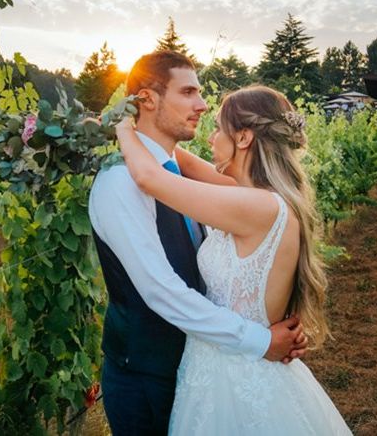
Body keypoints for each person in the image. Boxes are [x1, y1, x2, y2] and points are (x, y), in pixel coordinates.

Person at [88, 52, 309, 435]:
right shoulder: (119, 182)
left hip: (209, 369)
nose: (202, 106)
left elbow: (159, 174)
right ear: (147, 99)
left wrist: (128, 131)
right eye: (189, 91)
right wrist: (259, 338)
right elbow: (161, 290)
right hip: (146, 376)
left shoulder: (199, 184)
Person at [115, 84, 352, 435]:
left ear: (243, 139)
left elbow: (150, 177)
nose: (210, 138)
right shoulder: (257, 197)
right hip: (227, 364)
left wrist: (119, 125)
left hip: (237, 374)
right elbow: (175, 158)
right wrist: (150, 119)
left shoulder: (256, 206)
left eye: (218, 129)